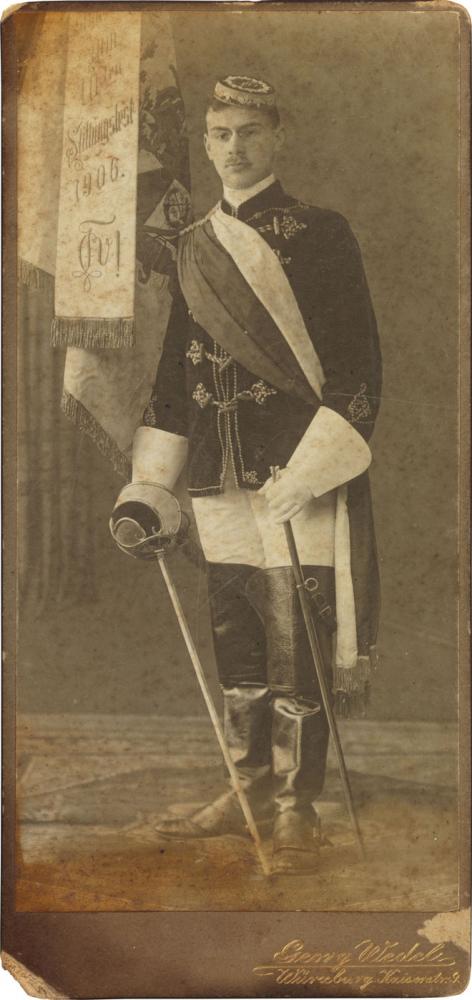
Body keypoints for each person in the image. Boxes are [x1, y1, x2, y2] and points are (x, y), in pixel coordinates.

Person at [129, 75, 382, 874]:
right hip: (212, 467)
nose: (232, 147)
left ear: (277, 135)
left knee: (296, 633)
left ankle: (296, 807)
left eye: (247, 131)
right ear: (204, 142)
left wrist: (317, 466)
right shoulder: (191, 242)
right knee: (235, 629)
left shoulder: (321, 232)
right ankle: (244, 790)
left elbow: (357, 365)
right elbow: (174, 374)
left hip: (293, 464)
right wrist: (151, 481)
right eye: (219, 134)